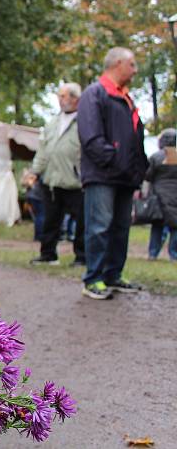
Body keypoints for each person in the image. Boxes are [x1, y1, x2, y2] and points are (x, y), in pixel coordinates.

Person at [78, 47, 148, 300]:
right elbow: (91, 137)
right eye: (132, 64)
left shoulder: (127, 98)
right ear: (118, 63)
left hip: (125, 176)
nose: (135, 70)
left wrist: (139, 168)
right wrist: (114, 160)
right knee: (99, 226)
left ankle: (113, 275)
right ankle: (93, 278)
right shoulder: (94, 94)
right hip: (102, 175)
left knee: (120, 227)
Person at [29, 83, 85, 267]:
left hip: (75, 181)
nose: (60, 100)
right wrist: (35, 172)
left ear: (76, 98)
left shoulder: (84, 121)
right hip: (52, 180)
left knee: (82, 222)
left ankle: (82, 256)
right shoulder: (53, 122)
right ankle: (48, 254)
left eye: (64, 96)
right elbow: (43, 150)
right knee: (50, 220)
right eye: (59, 96)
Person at [145, 128, 177, 261]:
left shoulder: (156, 157)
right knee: (175, 226)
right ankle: (174, 254)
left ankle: (153, 254)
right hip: (175, 197)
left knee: (157, 226)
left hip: (158, 196)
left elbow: (147, 175)